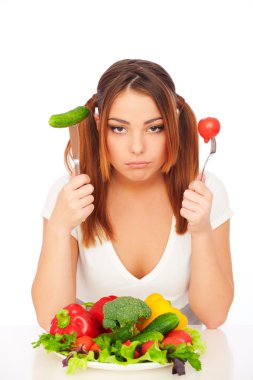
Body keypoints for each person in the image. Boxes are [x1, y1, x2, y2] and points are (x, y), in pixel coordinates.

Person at [31, 59, 234, 332]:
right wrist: (58, 227)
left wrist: (201, 231)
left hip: (178, 365)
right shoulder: (69, 194)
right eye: (119, 128)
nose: (137, 147)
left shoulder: (205, 191)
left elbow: (214, 316)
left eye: (154, 128)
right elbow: (51, 320)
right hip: (92, 361)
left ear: (173, 124)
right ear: (99, 124)